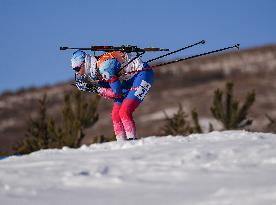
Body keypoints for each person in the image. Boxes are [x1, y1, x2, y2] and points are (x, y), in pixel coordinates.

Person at [70, 50, 154, 141]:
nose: (76, 73)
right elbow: (109, 91)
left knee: (124, 112)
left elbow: (116, 93)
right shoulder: (94, 72)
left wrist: (93, 88)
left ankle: (132, 142)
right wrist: (92, 88)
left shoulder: (104, 68)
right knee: (115, 115)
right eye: (74, 70)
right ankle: (121, 144)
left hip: (143, 74)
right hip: (129, 79)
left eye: (77, 69)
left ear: (84, 64)